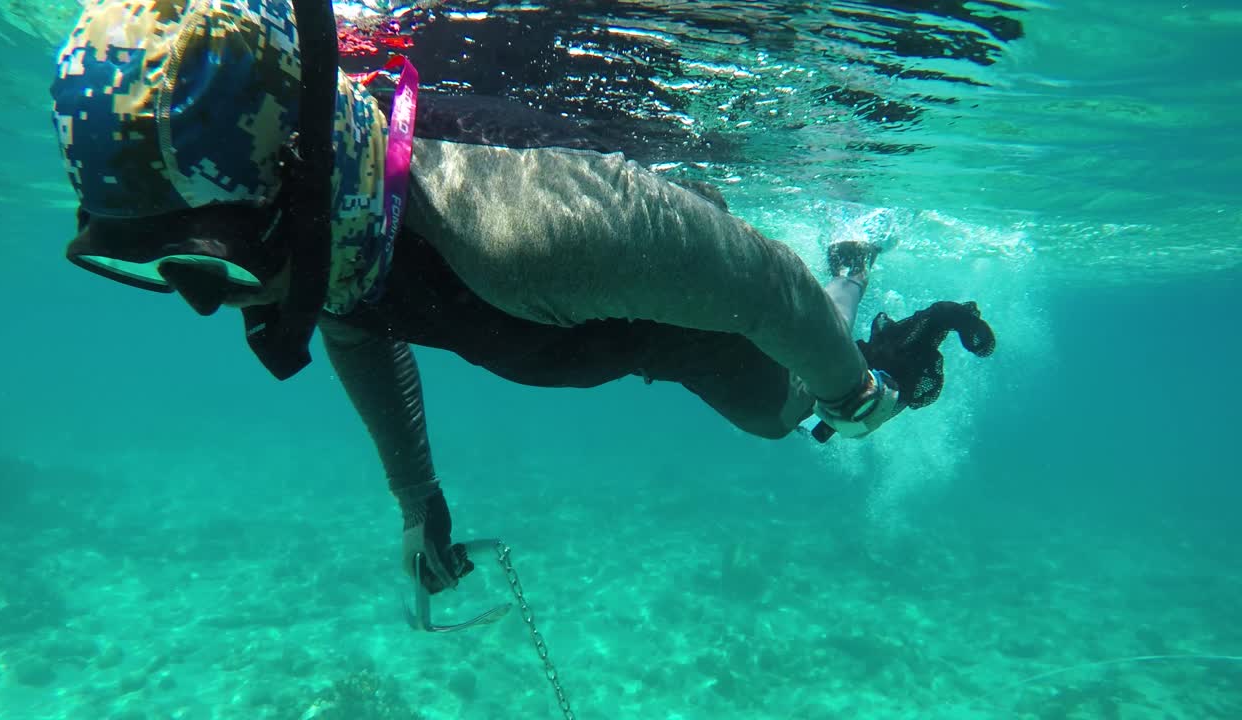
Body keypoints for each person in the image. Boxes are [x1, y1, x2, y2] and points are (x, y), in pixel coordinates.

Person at [49, 0, 996, 594]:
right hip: (611, 316)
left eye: (208, 262)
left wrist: (851, 393)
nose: (207, 305)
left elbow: (762, 287)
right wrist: (416, 500)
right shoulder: (331, 238)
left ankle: (854, 253)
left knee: (790, 411)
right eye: (165, 266)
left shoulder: (522, 231)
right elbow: (352, 321)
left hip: (696, 308)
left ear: (302, 178)